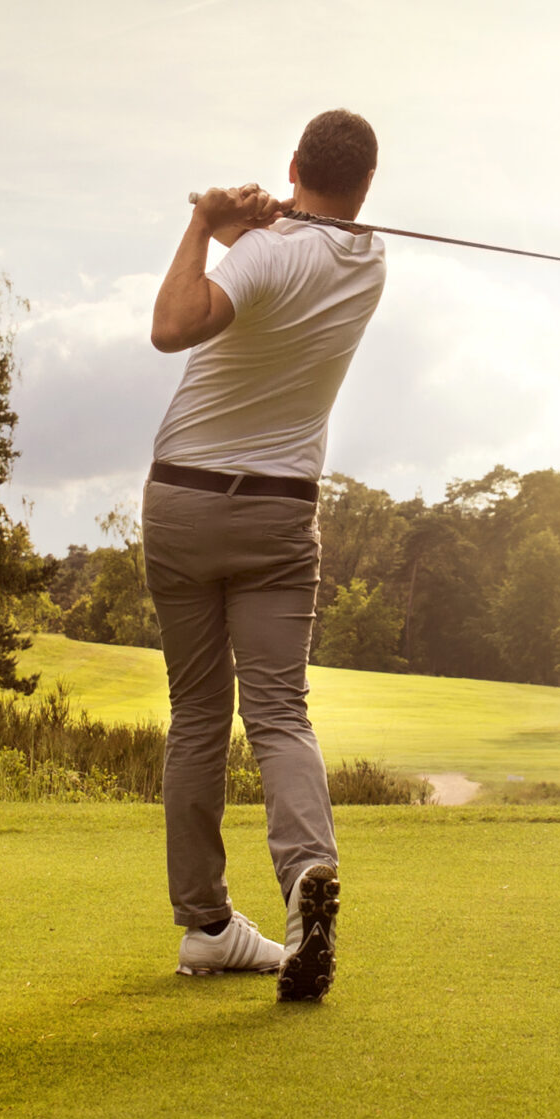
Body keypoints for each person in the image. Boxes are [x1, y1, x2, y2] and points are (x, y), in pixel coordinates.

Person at [143, 108, 385, 1003]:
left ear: (293, 164)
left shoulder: (262, 252)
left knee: (199, 716)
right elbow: (293, 246)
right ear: (367, 187)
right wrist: (254, 220)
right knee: (280, 712)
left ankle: (207, 926)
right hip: (281, 512)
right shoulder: (368, 263)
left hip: (183, 498)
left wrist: (205, 223)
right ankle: (305, 876)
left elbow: (174, 325)